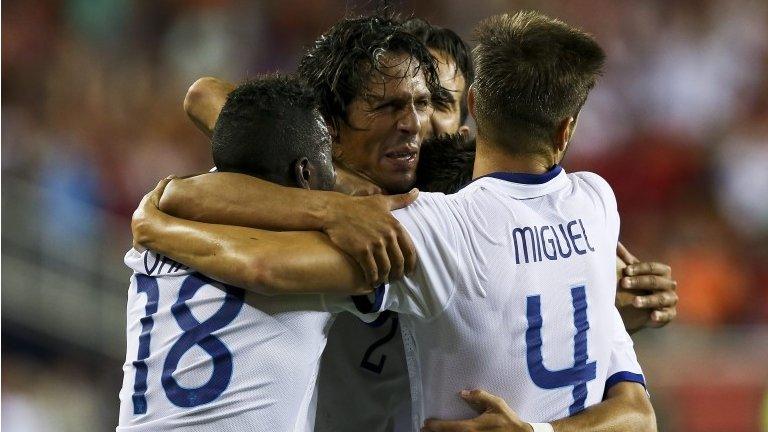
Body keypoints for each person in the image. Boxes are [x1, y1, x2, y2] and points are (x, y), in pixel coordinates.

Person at [133, 11, 658, 431]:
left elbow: (635, 413)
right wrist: (333, 199)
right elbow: (207, 97)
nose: (417, 124)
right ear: (327, 128)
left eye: (434, 103)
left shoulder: (450, 215)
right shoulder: (301, 187)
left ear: (471, 115)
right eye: (387, 106)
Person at [118, 75, 398, 431]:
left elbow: (202, 93)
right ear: (304, 173)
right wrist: (332, 206)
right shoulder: (316, 243)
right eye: (329, 157)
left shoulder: (175, 206)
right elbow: (263, 268)